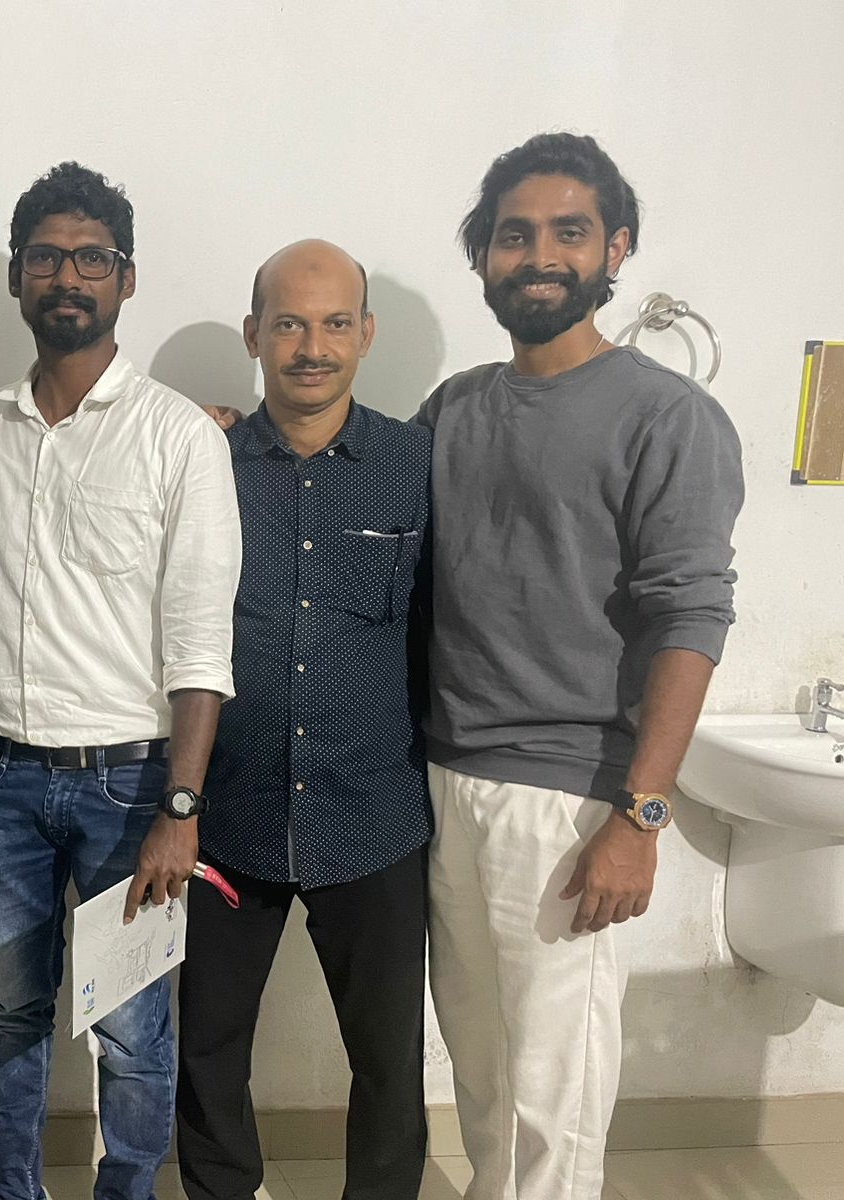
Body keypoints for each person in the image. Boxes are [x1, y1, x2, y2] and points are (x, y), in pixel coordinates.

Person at [418, 132, 744, 1199]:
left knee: (552, 1089)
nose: (539, 256)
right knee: (479, 1068)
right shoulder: (455, 407)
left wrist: (639, 818)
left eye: (568, 232)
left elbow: (691, 616)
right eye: (514, 235)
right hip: (446, 779)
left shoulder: (669, 417)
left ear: (617, 247)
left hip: (570, 803)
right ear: (482, 255)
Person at [0, 161, 242, 1200]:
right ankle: (13, 1189)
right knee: (11, 1006)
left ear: (127, 278)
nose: (68, 276)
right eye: (46, 257)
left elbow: (200, 642)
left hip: (131, 789)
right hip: (3, 780)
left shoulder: (179, 436)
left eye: (92, 258)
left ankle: (126, 1189)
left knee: (129, 1023)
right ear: (16, 277)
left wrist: (181, 807)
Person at [177, 240, 432, 1200]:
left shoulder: (417, 464)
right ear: (254, 334)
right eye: (288, 323)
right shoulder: (202, 460)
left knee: (389, 1058)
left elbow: (440, 633)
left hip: (373, 815)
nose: (311, 347)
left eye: (333, 324)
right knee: (207, 1046)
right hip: (226, 815)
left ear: (366, 334)